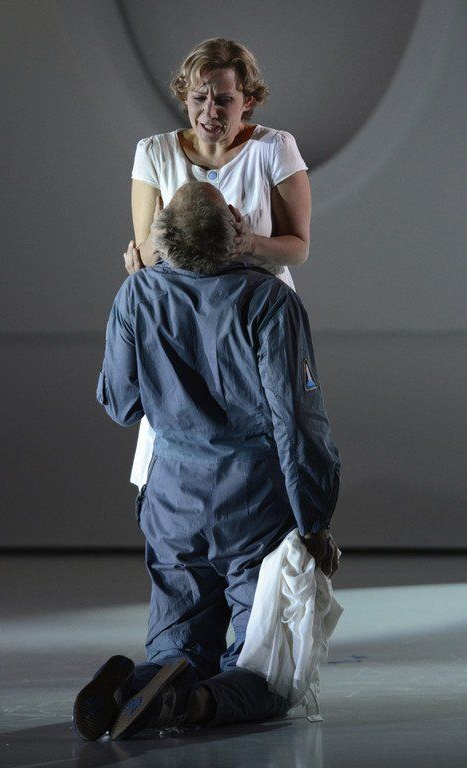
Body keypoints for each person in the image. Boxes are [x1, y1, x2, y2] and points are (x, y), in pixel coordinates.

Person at [73, 181, 340, 741]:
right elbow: (298, 421)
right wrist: (314, 522)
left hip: (172, 504)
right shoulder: (269, 300)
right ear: (236, 227)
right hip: (255, 507)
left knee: (178, 648)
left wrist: (141, 306)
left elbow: (120, 405)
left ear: (163, 237)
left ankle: (133, 687)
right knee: (265, 672)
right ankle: (188, 704)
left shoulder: (137, 295)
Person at [125, 37, 312, 491]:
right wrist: (158, 249)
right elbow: (144, 253)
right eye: (199, 98)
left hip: (255, 319)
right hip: (184, 320)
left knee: (269, 435)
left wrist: (248, 243)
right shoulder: (154, 152)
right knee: (179, 435)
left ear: (247, 101)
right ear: (185, 97)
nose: (210, 112)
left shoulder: (274, 148)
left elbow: (298, 248)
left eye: (224, 100)